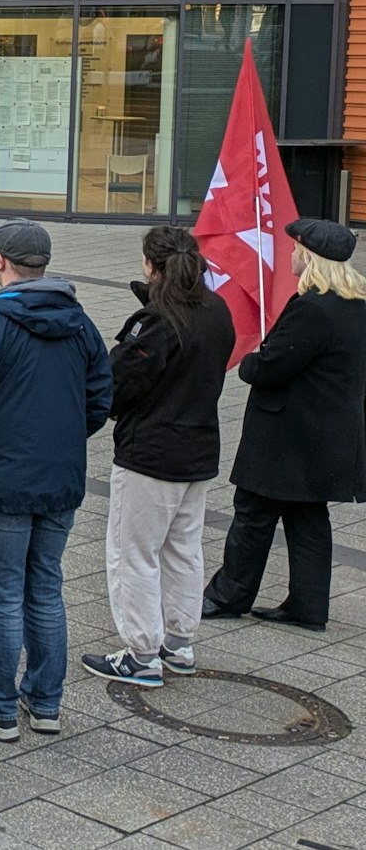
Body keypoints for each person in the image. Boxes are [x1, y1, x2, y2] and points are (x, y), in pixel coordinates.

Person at [0, 220, 111, 741]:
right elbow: (100, 399)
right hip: (57, 483)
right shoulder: (81, 323)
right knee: (45, 587)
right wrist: (62, 446)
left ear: (0, 260)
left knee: (2, 593)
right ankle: (45, 701)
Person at [77, 226, 235, 686]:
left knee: (134, 554)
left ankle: (142, 652)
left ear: (151, 264)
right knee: (183, 550)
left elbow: (116, 384)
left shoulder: (160, 319)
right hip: (199, 450)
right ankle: (179, 643)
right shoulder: (217, 310)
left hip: (152, 453)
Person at [202, 218, 366, 633]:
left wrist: (255, 357)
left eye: (295, 249)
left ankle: (228, 596)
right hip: (328, 435)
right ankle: (308, 606)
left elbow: (269, 369)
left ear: (310, 257)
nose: (290, 254)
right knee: (307, 517)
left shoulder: (312, 307)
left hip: (288, 436)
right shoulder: (356, 305)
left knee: (253, 514)